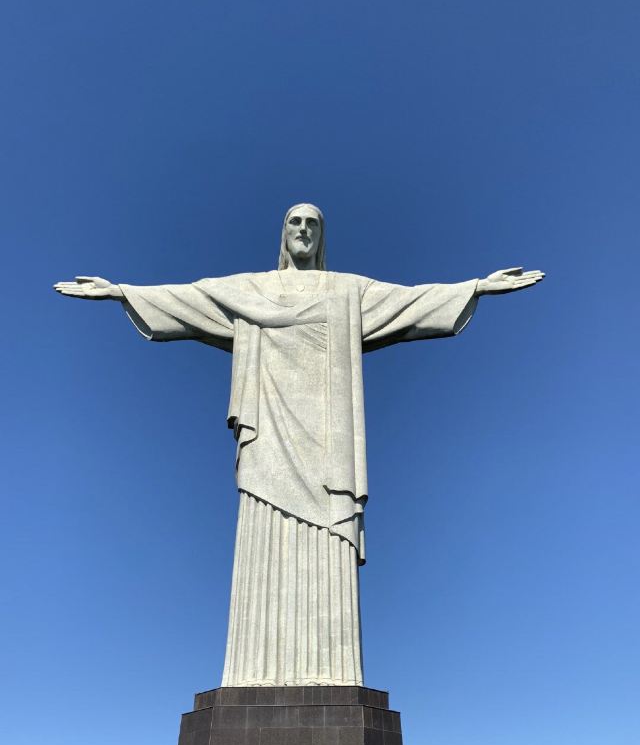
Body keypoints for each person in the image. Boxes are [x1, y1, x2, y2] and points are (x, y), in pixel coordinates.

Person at [54, 203, 544, 687]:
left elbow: (410, 302)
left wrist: (476, 287)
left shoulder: (347, 291)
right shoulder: (251, 289)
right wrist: (121, 292)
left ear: (322, 236)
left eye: (313, 223)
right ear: (284, 233)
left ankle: (332, 672)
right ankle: (251, 671)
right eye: (295, 221)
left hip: (329, 448)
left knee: (328, 542)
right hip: (268, 436)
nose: (304, 229)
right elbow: (191, 298)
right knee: (263, 537)